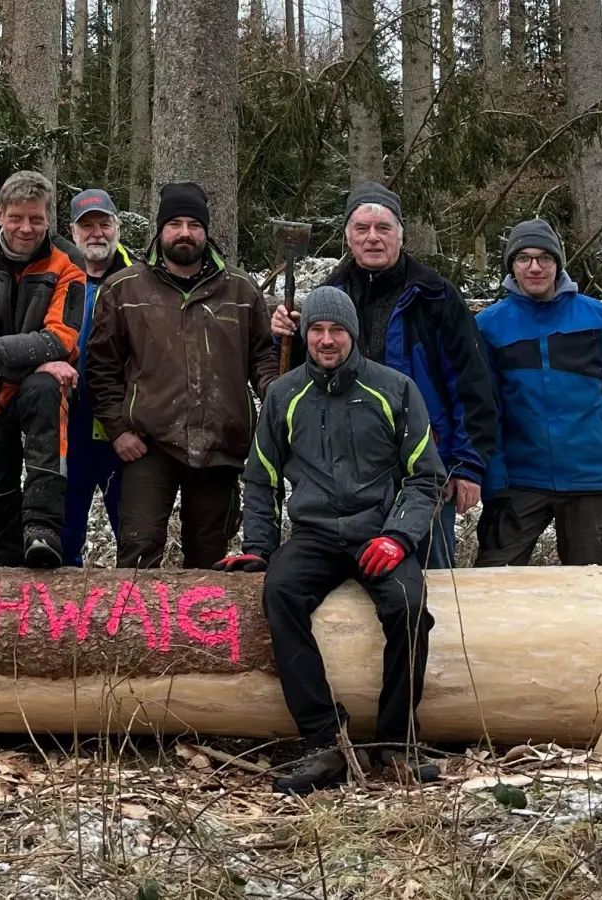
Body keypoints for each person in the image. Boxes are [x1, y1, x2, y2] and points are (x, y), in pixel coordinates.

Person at [226, 287, 443, 794]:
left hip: (379, 533)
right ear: (305, 336)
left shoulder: (395, 390)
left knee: (410, 605)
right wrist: (258, 548)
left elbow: (425, 477)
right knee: (279, 594)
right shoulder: (283, 393)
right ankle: (325, 740)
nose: (326, 340)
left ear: (354, 335)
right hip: (316, 534)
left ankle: (395, 741)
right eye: (317, 331)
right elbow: (261, 478)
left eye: (336, 330)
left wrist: (399, 536)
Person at [271, 182, 496, 568]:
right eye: (361, 229)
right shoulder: (329, 295)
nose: (372, 238)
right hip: (343, 473)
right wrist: (285, 339)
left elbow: (471, 384)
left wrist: (467, 465)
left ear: (400, 235)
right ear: (347, 237)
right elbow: (307, 380)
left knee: (429, 578)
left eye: (383, 228)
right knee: (345, 589)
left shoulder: (435, 296)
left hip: (422, 469)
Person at [85, 182, 279, 569]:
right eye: (175, 223)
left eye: (194, 223)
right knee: (138, 554)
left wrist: (276, 396)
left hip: (221, 446)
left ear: (207, 231)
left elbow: (263, 358)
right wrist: (118, 429)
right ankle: (135, 629)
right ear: (160, 230)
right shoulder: (124, 289)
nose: (185, 232)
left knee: (209, 561)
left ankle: (200, 631)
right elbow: (101, 366)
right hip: (149, 445)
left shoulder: (241, 290)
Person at [474, 219, 602, 567]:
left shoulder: (598, 318)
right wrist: (494, 476)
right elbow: (484, 409)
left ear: (558, 263)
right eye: (523, 258)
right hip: (519, 480)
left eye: (544, 258)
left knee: (590, 590)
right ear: (511, 266)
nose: (534, 267)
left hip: (589, 477)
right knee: (492, 582)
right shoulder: (488, 325)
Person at [0, 170, 86, 569]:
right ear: (0, 213)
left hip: (37, 389)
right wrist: (30, 354)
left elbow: (59, 339)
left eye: (37, 219)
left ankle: (43, 529)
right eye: (17, 218)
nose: (27, 228)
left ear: (48, 219)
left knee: (45, 387)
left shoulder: (67, 260)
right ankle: (5, 584)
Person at [61, 188, 131, 566]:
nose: (97, 234)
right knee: (65, 530)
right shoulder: (59, 279)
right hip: (68, 423)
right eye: (87, 226)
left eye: (104, 224)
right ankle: (60, 620)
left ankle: (134, 614)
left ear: (117, 226)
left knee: (132, 531)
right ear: (73, 232)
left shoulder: (139, 281)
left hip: (123, 428)